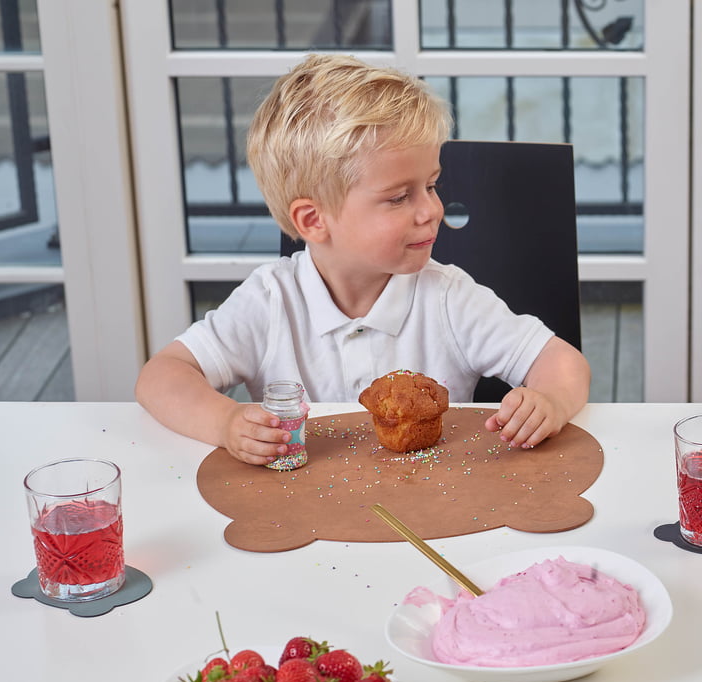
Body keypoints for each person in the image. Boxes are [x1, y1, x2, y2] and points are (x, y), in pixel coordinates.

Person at [135, 53, 590, 466]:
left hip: (439, 513)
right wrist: (225, 422)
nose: (432, 209)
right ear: (314, 220)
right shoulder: (271, 300)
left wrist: (547, 400)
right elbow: (161, 377)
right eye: (398, 197)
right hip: (303, 523)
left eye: (431, 185)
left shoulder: (448, 297)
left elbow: (563, 363)